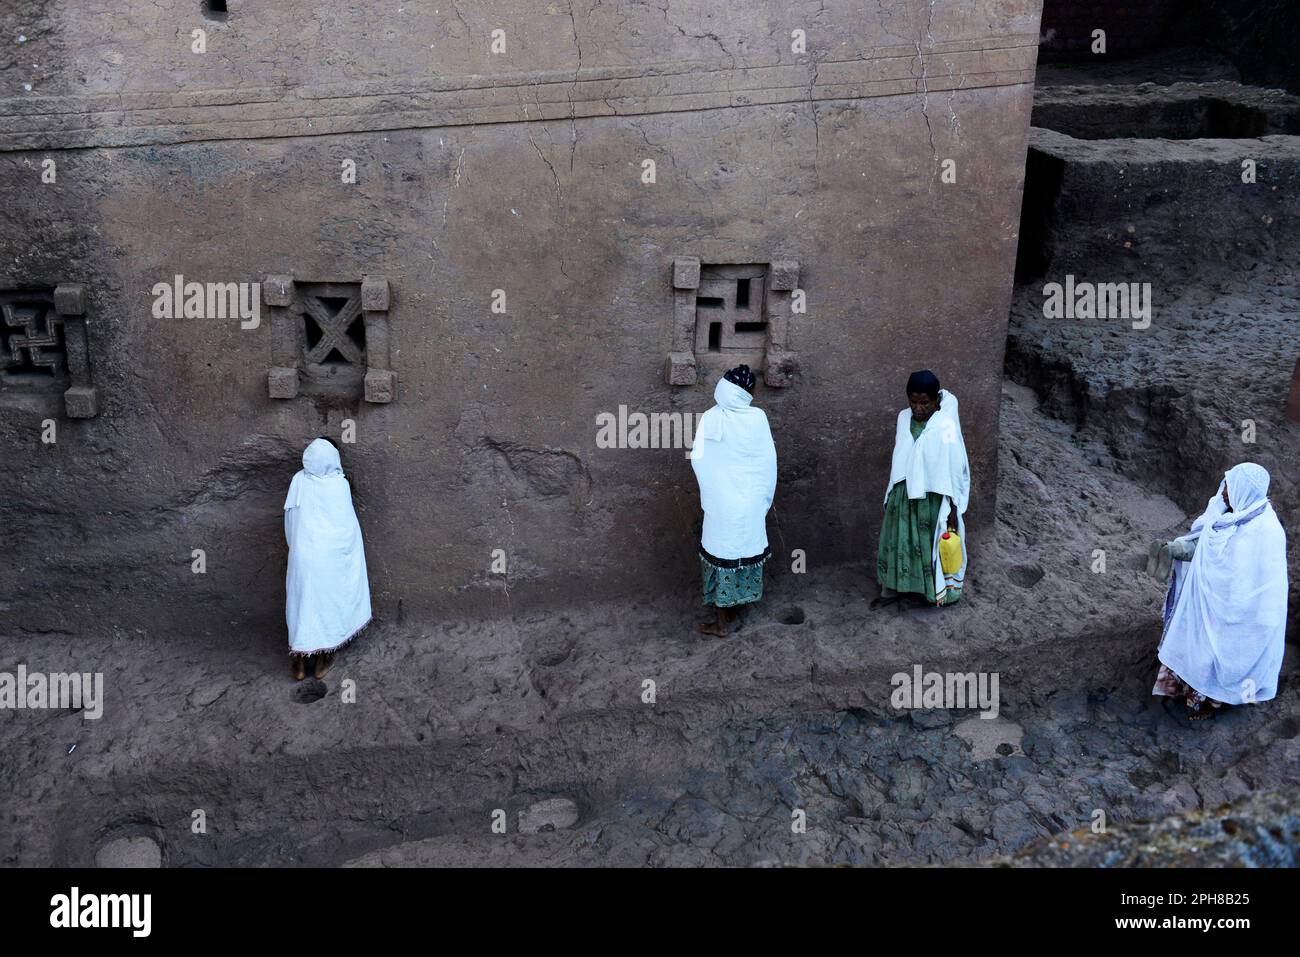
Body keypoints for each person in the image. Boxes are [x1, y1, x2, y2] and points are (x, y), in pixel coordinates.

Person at [1150, 463, 1288, 721]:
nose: (1224, 491)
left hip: (1242, 613)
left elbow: (1255, 583)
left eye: (1230, 487)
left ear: (1245, 491)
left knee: (1222, 656)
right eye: (1226, 484)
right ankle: (1185, 690)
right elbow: (1202, 539)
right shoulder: (1223, 509)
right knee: (1196, 643)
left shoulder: (1266, 531)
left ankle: (1210, 703)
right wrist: (1178, 548)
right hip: (1206, 600)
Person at [690, 365, 777, 637]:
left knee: (721, 554)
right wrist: (762, 497)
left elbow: (699, 459)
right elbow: (767, 461)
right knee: (742, 551)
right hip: (749, 501)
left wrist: (716, 490)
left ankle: (722, 620)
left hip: (722, 503)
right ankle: (734, 610)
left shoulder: (711, 418)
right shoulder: (757, 418)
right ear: (744, 392)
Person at [873, 370, 970, 609]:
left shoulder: (945, 424)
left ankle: (931, 592)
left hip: (933, 498)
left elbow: (954, 465)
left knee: (930, 546)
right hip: (903, 495)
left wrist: (953, 507)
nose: (918, 408)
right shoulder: (903, 418)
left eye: (924, 402)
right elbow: (901, 455)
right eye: (913, 402)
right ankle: (894, 588)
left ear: (936, 400)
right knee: (899, 541)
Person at [284, 437, 372, 680]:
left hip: (303, 556)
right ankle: (324, 659)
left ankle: (300, 663)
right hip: (330, 560)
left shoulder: (299, 481)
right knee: (329, 604)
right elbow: (347, 528)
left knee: (302, 604)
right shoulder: (339, 485)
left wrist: (298, 547)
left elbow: (290, 518)